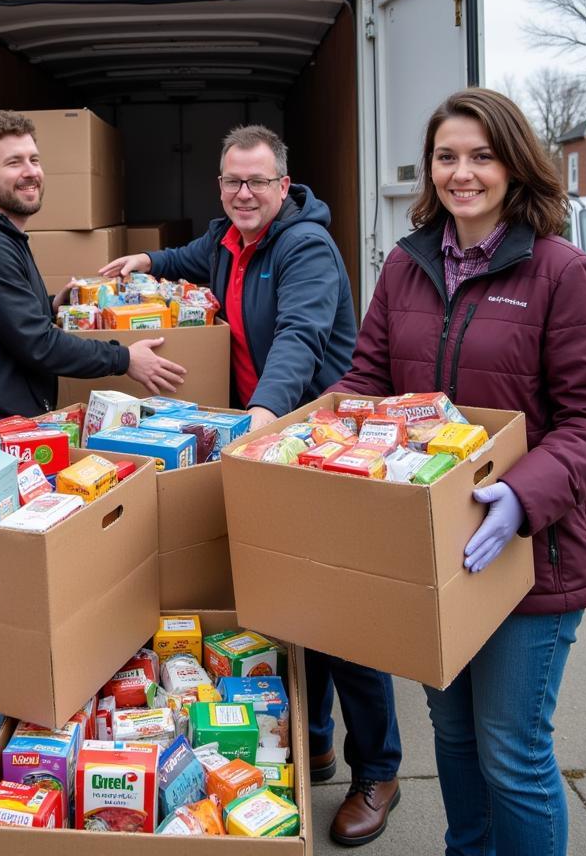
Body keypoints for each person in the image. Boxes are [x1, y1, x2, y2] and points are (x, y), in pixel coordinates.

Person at [330, 88, 586, 856]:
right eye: (446, 157)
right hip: (432, 553)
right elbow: (366, 383)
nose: (462, 173)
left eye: (481, 156)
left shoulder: (560, 272)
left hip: (532, 557)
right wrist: (304, 439)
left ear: (513, 164)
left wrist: (520, 499)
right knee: (452, 736)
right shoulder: (405, 266)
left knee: (511, 752)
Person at [101, 123, 402, 846]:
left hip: (315, 449)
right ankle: (317, 739)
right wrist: (144, 256)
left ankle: (380, 770)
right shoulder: (226, 240)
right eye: (232, 180)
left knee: (340, 614)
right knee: (290, 607)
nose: (244, 192)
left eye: (258, 181)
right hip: (264, 446)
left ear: (283, 186)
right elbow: (188, 256)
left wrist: (260, 418)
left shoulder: (306, 247)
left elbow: (299, 337)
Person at [0, 110, 186, 824]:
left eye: (36, 160)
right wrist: (124, 358)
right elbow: (38, 347)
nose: (30, 171)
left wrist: (60, 305)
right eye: (13, 162)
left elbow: (22, 328)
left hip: (12, 443)